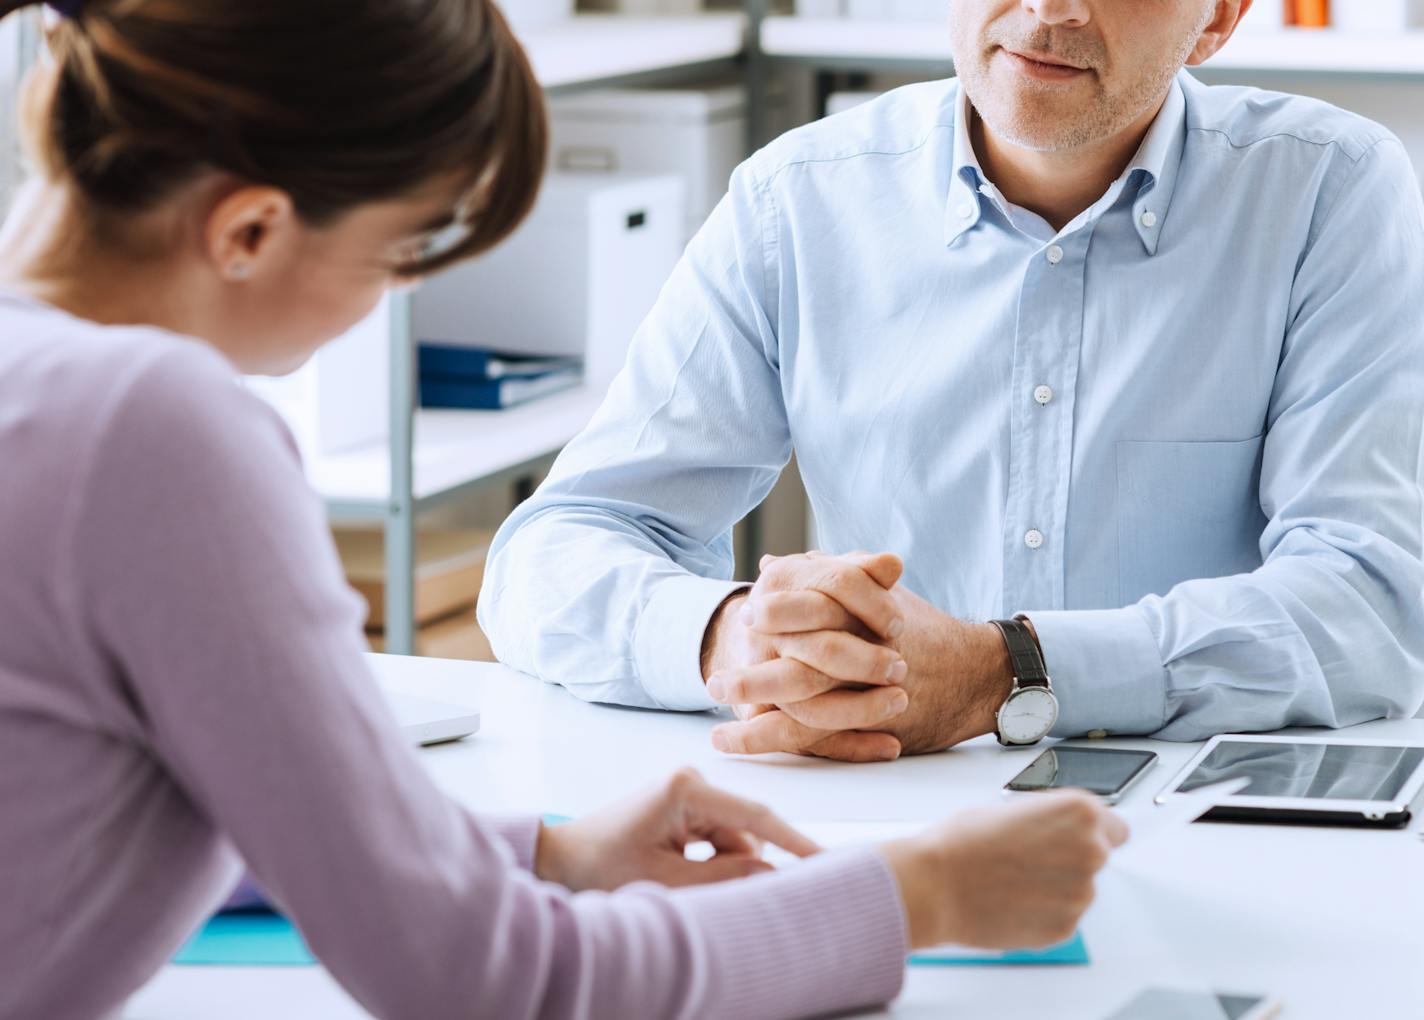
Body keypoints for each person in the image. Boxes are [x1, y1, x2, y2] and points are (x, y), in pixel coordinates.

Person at [0, 2, 1129, 1019]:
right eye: (404, 250)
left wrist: (538, 853)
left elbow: (87, 818)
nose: (398, 294)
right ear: (247, 230)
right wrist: (918, 892)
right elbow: (487, 979)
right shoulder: (157, 430)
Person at [480, 0, 1424, 761]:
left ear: (1217, 19)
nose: (1053, 11)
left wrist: (1003, 673)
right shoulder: (798, 199)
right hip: (882, 797)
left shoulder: (1327, 191)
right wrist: (734, 639)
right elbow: (557, 548)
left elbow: (1370, 605)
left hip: (1207, 805)